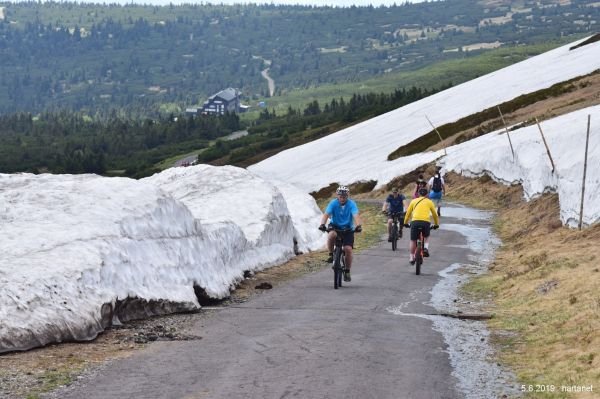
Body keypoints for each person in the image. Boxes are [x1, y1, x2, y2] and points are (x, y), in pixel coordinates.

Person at [319, 185, 362, 282]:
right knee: (331, 235)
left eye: (344, 196)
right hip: (335, 226)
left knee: (348, 249)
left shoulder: (351, 204)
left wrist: (359, 225)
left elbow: (356, 215)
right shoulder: (333, 203)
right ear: (337, 196)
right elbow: (326, 214)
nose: (342, 198)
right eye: (340, 196)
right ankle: (331, 254)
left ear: (347, 196)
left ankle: (347, 271)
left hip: (347, 229)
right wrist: (322, 224)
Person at [403, 187, 439, 265]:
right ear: (427, 194)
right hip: (425, 222)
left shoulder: (413, 201)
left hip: (415, 222)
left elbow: (408, 214)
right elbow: (435, 215)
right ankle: (425, 248)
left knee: (413, 240)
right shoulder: (429, 202)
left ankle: (411, 257)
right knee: (426, 236)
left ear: (418, 194)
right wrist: (436, 224)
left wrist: (405, 223)